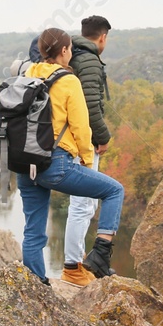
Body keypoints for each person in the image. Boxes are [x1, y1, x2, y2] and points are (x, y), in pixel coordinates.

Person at [16, 27, 125, 284]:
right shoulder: (68, 81)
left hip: (25, 164)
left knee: (33, 232)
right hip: (56, 165)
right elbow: (80, 127)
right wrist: (87, 163)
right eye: (70, 50)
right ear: (64, 51)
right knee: (114, 191)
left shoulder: (27, 74)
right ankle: (100, 254)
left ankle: (36, 286)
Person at [60, 16, 114, 285]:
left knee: (84, 204)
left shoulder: (72, 55)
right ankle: (74, 266)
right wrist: (102, 137)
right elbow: (91, 105)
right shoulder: (90, 60)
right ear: (102, 37)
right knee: (83, 204)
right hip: (82, 142)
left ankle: (77, 261)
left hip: (65, 140)